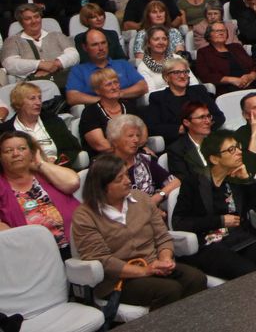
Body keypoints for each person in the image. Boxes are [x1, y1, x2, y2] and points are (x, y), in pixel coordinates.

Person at [71, 154, 207, 309]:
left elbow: (162, 236)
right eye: (119, 179)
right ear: (102, 186)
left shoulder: (141, 198)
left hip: (154, 264)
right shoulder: (85, 215)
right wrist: (145, 271)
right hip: (118, 279)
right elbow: (102, 260)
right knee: (169, 290)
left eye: (127, 175)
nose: (128, 181)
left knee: (196, 278)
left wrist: (165, 260)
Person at [172, 130, 256, 279]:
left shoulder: (237, 179)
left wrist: (247, 180)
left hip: (239, 239)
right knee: (248, 272)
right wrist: (219, 221)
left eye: (238, 147)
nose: (239, 152)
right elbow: (179, 223)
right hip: (208, 245)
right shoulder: (193, 183)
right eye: (231, 149)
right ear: (214, 159)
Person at [0, 131, 81, 259]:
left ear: (32, 152)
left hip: (75, 242)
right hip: (32, 255)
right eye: (8, 151)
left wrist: (40, 163)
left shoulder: (45, 173)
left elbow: (73, 182)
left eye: (22, 149)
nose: (16, 154)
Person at [145, 58, 224, 147]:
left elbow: (219, 117)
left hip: (206, 139)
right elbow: (153, 128)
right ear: (166, 77)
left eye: (185, 72)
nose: (182, 76)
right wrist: (184, 128)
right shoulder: (158, 97)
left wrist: (201, 127)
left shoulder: (199, 91)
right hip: (178, 144)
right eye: (176, 72)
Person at [0, 82, 81, 167]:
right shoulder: (5, 130)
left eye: (39, 98)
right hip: (23, 171)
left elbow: (72, 148)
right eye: (32, 98)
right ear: (18, 103)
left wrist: (58, 161)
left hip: (57, 168)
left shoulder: (53, 121)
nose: (38, 102)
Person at [107, 114, 180, 205]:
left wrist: (157, 197)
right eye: (130, 136)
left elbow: (175, 182)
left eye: (138, 135)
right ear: (114, 140)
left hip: (150, 210)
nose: (136, 140)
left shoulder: (144, 160)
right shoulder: (104, 166)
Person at [0, 3, 79, 83]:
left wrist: (55, 64)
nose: (34, 21)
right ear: (21, 22)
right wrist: (40, 64)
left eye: (36, 17)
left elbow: (74, 55)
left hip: (64, 81)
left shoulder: (57, 35)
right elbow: (10, 64)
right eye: (28, 19)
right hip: (30, 86)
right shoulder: (12, 40)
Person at [195, 23, 256, 95]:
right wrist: (230, 80)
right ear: (209, 35)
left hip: (249, 85)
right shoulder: (203, 52)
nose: (221, 33)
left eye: (223, 31)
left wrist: (251, 76)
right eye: (217, 31)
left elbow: (255, 66)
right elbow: (205, 76)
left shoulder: (237, 47)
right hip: (225, 89)